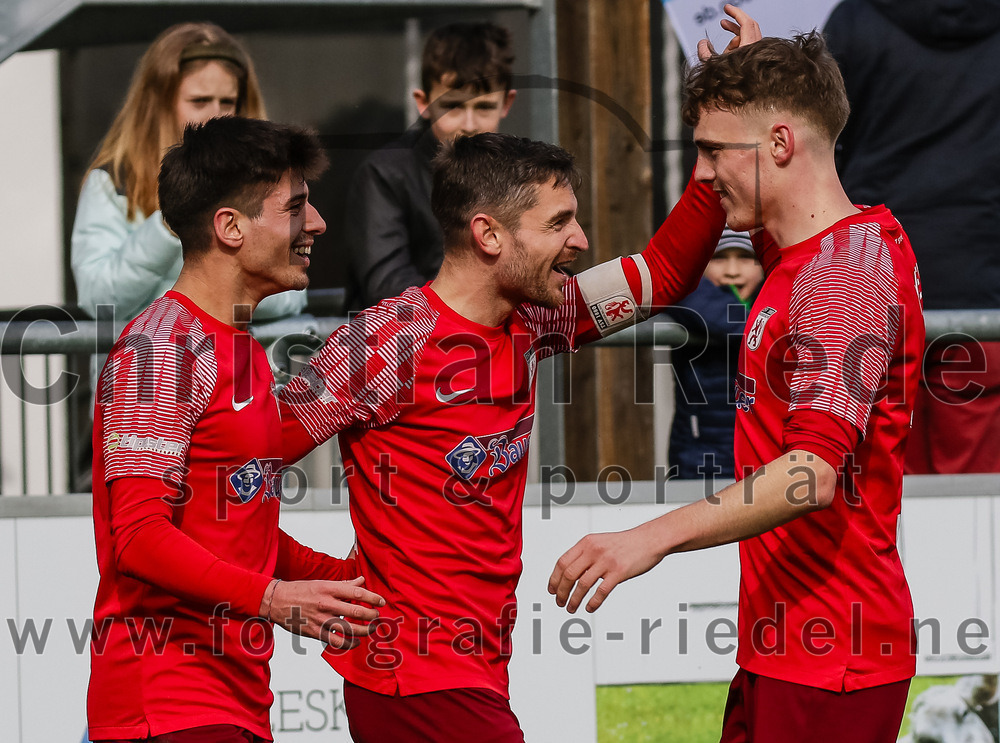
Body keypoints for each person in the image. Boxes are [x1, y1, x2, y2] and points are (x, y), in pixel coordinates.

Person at [275, 117, 743, 738]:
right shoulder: (386, 344)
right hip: (414, 677)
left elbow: (659, 274)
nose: (579, 238)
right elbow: (234, 468)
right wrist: (310, 582)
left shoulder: (532, 321)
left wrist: (720, 146)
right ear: (488, 234)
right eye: (557, 223)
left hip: (472, 671)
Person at [548, 17, 925, 743]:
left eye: (713, 152)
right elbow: (668, 266)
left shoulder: (842, 274)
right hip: (790, 646)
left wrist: (647, 538)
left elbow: (810, 473)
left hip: (832, 658)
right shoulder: (804, 248)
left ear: (780, 143)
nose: (705, 171)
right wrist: (740, 75)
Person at [88, 117, 384, 743]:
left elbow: (236, 533)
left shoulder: (238, 347)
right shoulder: (159, 348)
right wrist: (276, 599)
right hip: (163, 708)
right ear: (229, 227)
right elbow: (137, 539)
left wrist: (357, 582)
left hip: (227, 705)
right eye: (296, 207)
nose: (317, 224)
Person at [823, 0, 1000, 474]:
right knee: (978, 515)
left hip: (875, 289)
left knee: (879, 499)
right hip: (990, 292)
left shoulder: (856, 18)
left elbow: (817, 146)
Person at [71, 21, 307, 325]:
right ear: (159, 105)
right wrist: (171, 223)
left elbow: (293, 292)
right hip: (151, 367)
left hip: (237, 367)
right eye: (199, 101)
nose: (216, 115)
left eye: (228, 101)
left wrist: (213, 295)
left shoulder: (265, 179)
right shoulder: (115, 181)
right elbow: (98, 297)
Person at [343, 21, 517, 308]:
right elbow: (386, 285)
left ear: (507, 103)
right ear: (423, 103)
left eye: (484, 107)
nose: (470, 124)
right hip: (399, 347)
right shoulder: (385, 174)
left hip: (490, 345)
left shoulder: (519, 174)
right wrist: (484, 309)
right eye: (453, 106)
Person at [664, 229, 763, 479]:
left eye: (745, 257)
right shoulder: (690, 295)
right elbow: (721, 316)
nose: (732, 270)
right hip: (702, 461)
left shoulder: (778, 295)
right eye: (718, 258)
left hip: (764, 459)